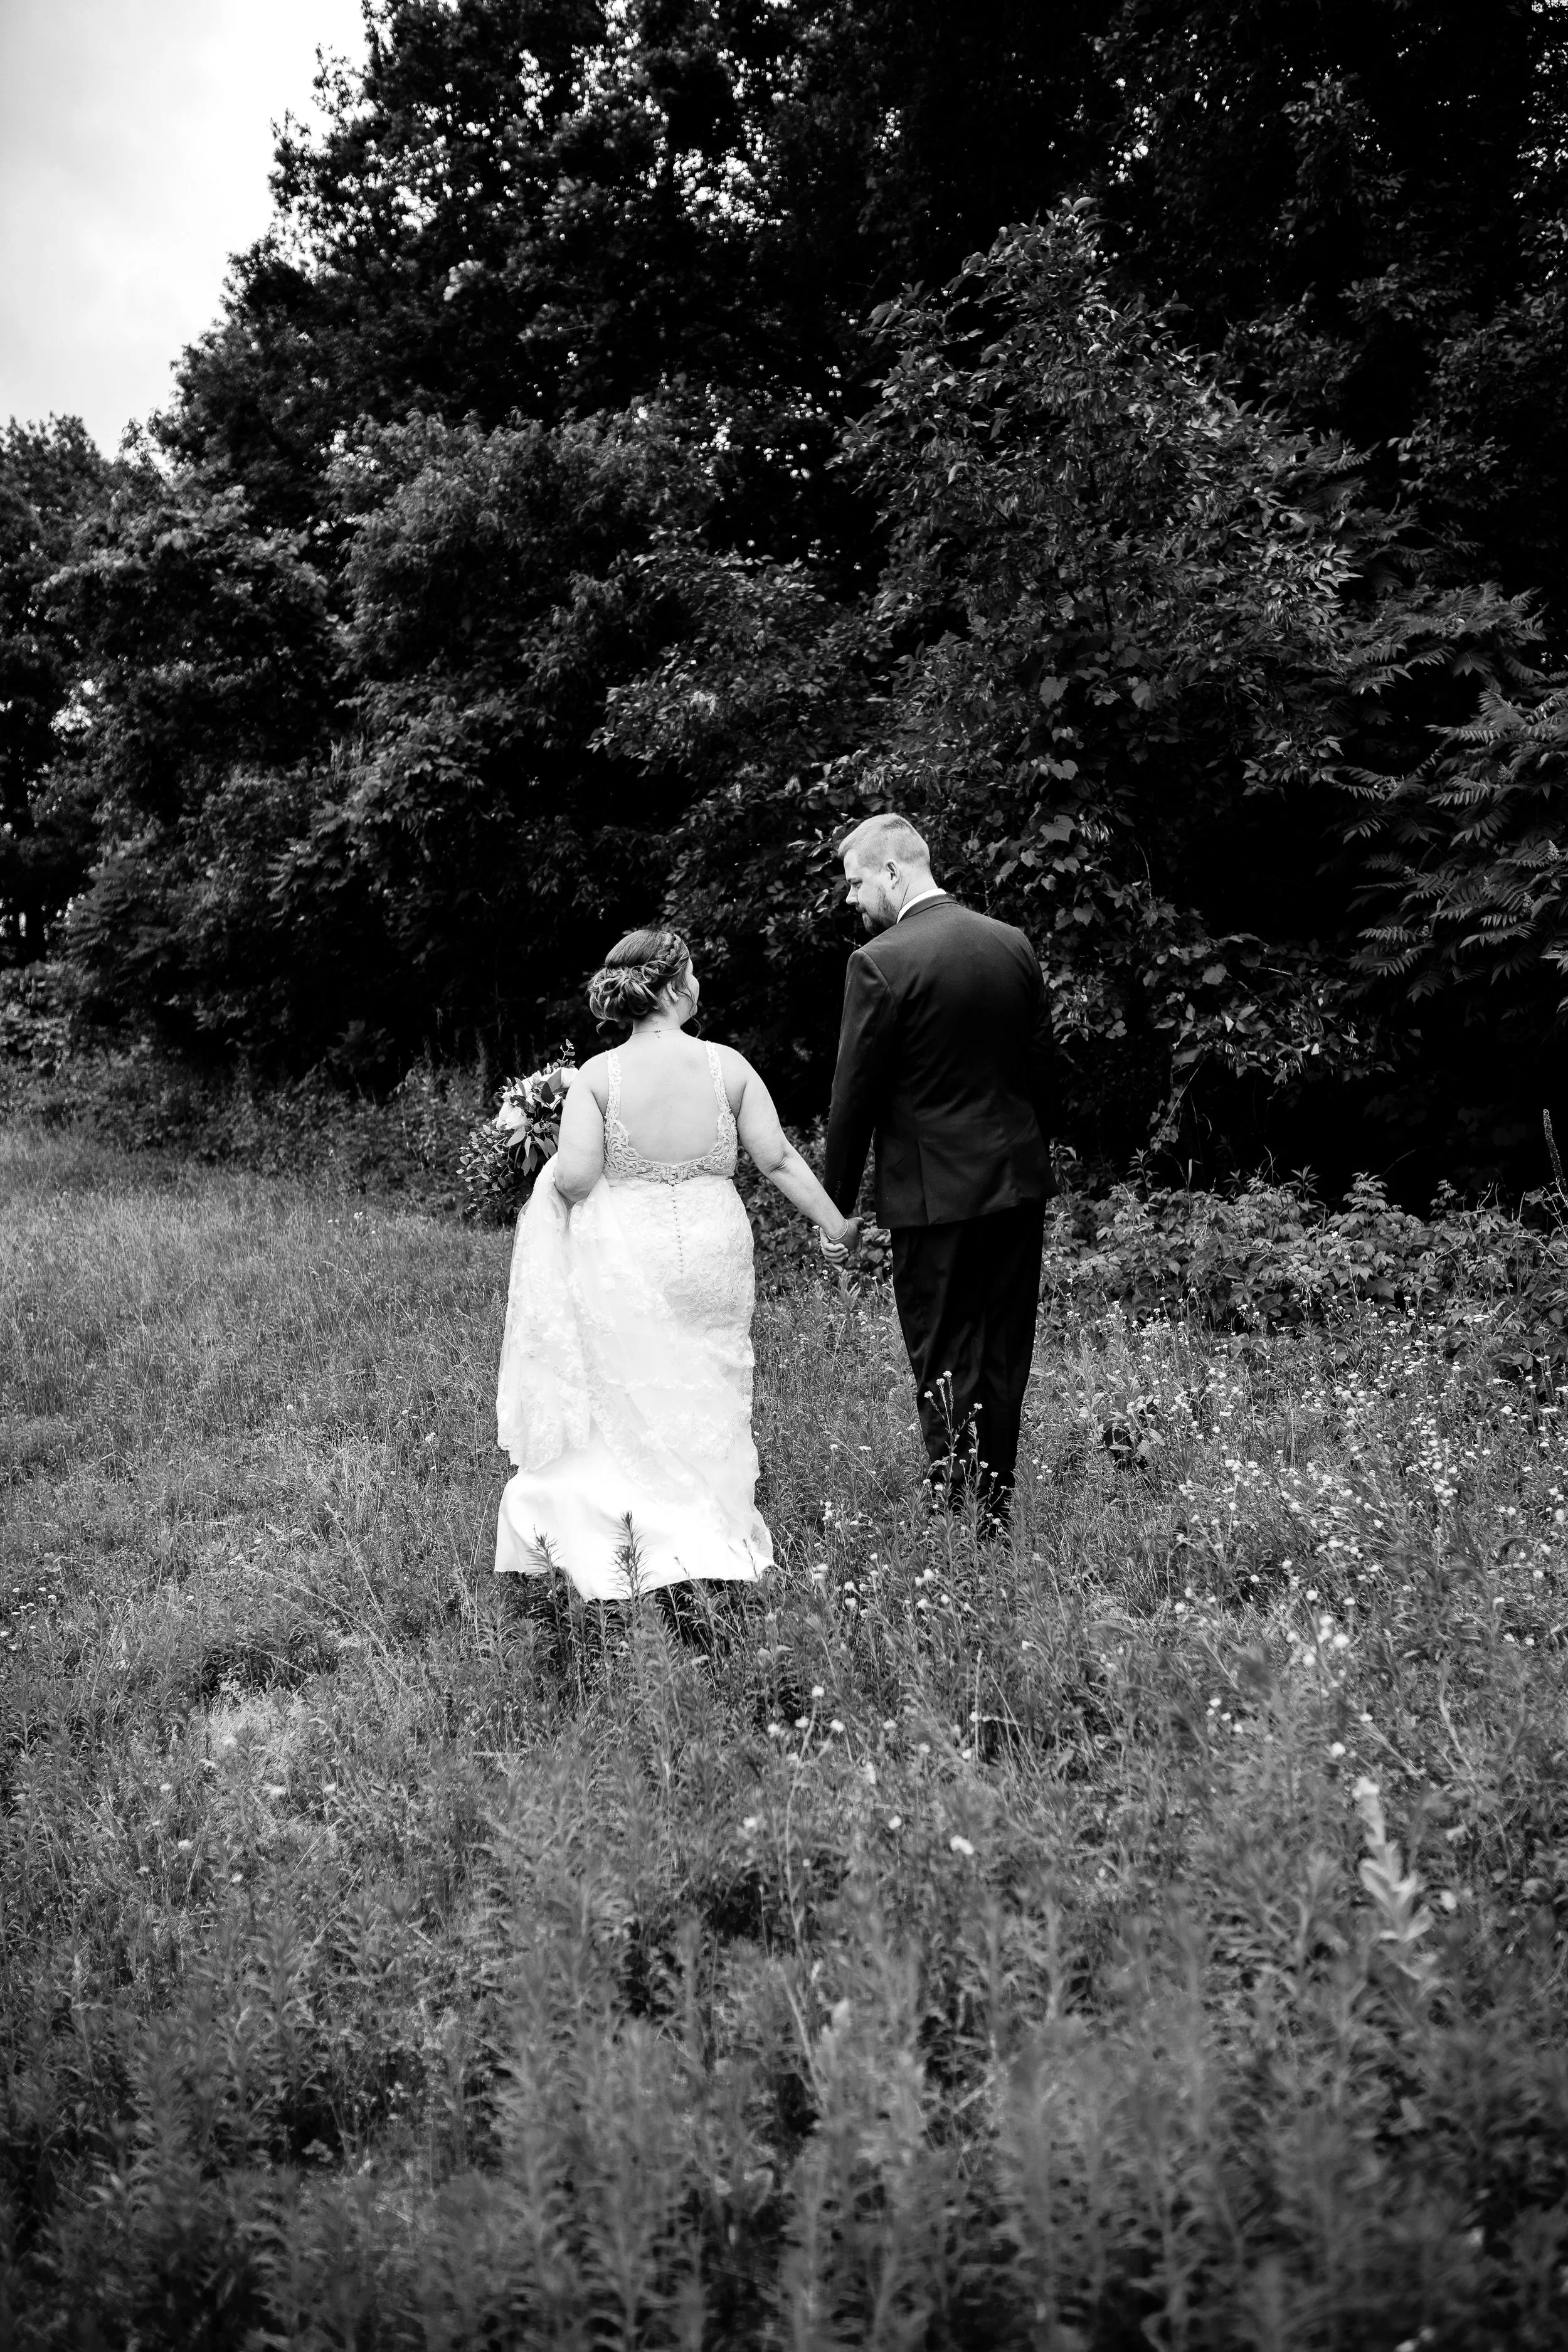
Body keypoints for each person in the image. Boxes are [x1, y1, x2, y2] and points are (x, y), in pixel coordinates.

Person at [495, 928, 859, 1598]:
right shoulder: (730, 1066)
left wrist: (549, 1167)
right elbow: (776, 1159)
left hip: (634, 1248)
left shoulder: (599, 1079)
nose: (698, 983)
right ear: (672, 985)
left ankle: (643, 1536)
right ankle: (715, 1528)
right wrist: (836, 1225)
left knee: (636, 1386)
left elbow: (575, 1181)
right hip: (715, 1245)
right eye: (692, 972)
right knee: (712, 1380)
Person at [822, 813, 1057, 1530]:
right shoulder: (1009, 943)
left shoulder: (881, 962)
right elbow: (1043, 1073)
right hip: (1016, 1184)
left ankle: (956, 1510)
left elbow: (851, 1100)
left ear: (892, 872)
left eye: (856, 881)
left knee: (942, 1349)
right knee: (1004, 1348)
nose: (851, 899)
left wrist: (838, 1211)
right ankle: (993, 1505)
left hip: (933, 1198)